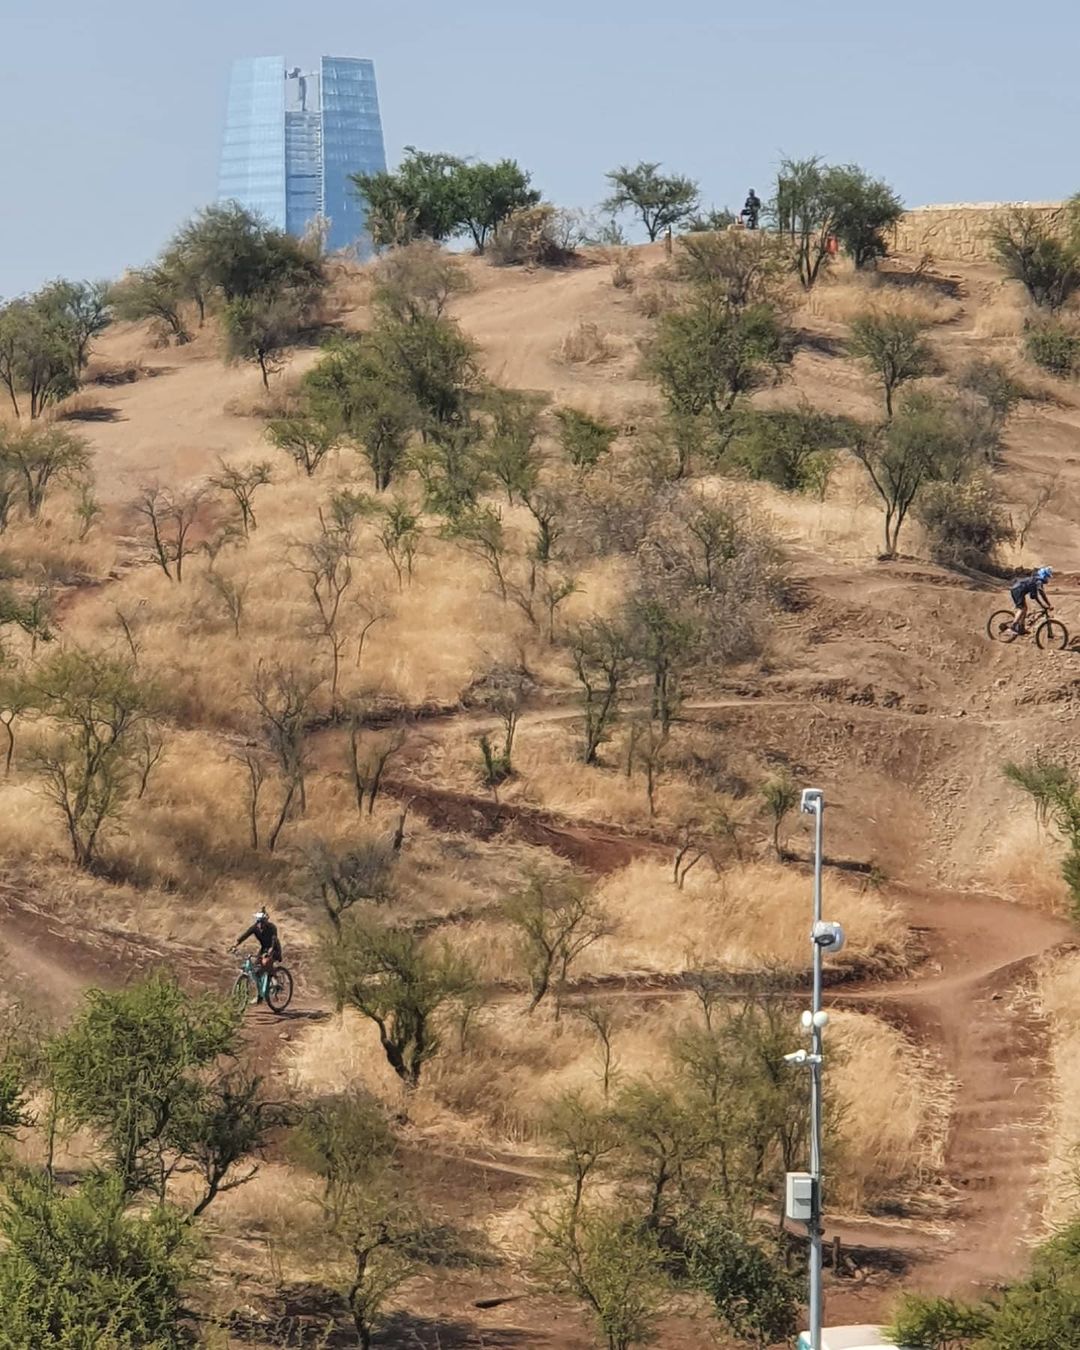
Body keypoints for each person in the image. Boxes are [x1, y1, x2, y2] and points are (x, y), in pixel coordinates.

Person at [233, 909, 282, 1003]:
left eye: (262, 922)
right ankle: (260, 995)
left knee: (266, 963)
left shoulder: (272, 927)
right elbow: (245, 935)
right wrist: (235, 945)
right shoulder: (255, 928)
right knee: (256, 971)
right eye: (258, 921)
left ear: (266, 921)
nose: (260, 924)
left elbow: (274, 939)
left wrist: (270, 950)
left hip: (274, 948)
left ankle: (275, 981)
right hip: (264, 949)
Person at [1010, 566, 1054, 636]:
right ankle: (1013, 626)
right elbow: (1037, 594)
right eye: (1047, 577)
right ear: (1044, 575)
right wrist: (1044, 605)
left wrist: (1047, 604)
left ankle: (1021, 628)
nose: (1047, 579)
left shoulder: (1037, 580)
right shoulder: (1038, 581)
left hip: (1019, 591)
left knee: (1025, 609)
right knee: (1022, 609)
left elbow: (1041, 594)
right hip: (1017, 590)